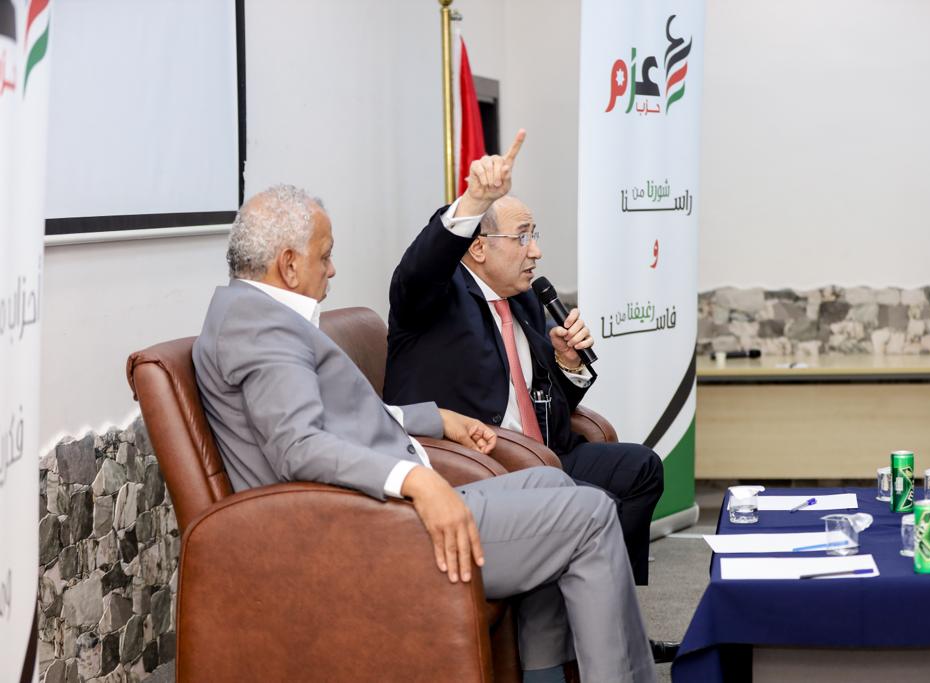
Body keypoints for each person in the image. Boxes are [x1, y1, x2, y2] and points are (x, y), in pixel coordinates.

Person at [192, 185, 656, 683]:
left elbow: (341, 417)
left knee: (554, 484)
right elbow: (298, 447)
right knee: (590, 514)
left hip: (373, 508)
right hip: (366, 529)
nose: (333, 269)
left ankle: (543, 676)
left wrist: (437, 419)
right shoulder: (262, 330)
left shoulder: (253, 316)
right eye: (324, 256)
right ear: (288, 264)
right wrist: (415, 480)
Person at [383, 133, 676, 663]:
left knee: (640, 469)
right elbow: (421, 266)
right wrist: (474, 200)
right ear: (478, 247)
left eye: (534, 235)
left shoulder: (523, 301)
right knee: (594, 504)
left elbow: (545, 402)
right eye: (522, 237)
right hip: (483, 468)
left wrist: (567, 365)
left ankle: (609, 611)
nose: (535, 250)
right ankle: (584, 629)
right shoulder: (433, 299)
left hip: (546, 454)